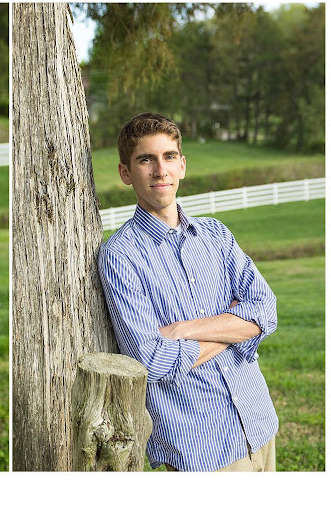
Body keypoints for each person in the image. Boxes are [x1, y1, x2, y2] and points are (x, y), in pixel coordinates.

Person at [97, 112, 278, 472]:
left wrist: (183, 331)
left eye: (168, 157)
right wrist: (231, 329)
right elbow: (151, 359)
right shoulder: (120, 255)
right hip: (199, 448)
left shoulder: (216, 234)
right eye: (145, 159)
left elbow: (266, 310)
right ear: (125, 172)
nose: (159, 170)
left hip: (258, 422)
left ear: (182, 165)